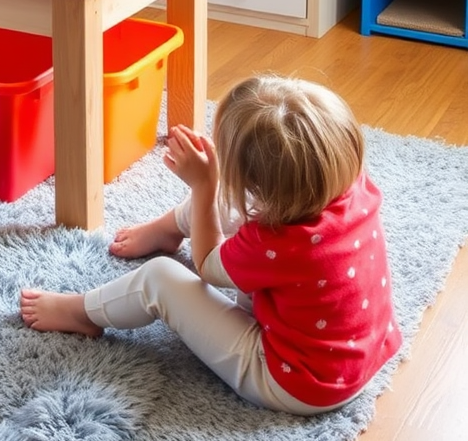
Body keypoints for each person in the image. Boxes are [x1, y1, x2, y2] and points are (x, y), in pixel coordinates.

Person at [20, 75, 401, 414]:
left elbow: (208, 267)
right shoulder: (354, 187)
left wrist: (203, 185)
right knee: (224, 205)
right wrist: (213, 192)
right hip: (361, 354)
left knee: (160, 276)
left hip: (295, 382)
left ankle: (82, 314)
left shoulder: (280, 243)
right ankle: (167, 230)